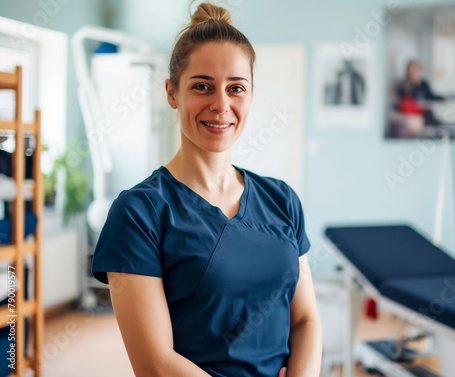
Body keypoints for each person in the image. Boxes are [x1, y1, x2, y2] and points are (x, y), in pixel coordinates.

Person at [91, 3, 322, 377]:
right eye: (202, 87)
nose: (221, 105)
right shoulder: (138, 213)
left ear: (250, 95)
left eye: (236, 88)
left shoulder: (282, 200)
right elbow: (155, 364)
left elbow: (306, 320)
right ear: (172, 92)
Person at [395, 60, 446, 126]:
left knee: (429, 113)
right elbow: (404, 102)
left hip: (423, 110)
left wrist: (444, 98)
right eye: (410, 70)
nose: (412, 72)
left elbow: (430, 96)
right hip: (411, 111)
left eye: (414, 70)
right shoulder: (403, 85)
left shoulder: (424, 84)